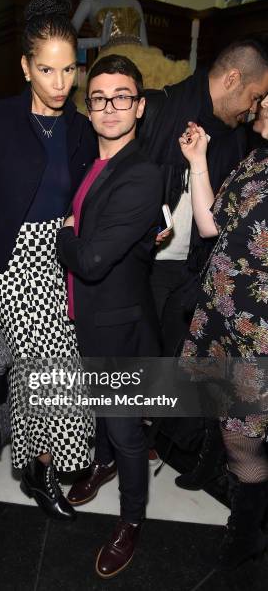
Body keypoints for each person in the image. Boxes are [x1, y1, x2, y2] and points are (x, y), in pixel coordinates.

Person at [0, 0, 97, 521]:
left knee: (30, 373)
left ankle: (37, 470)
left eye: (68, 70)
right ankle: (51, 461)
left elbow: (87, 194)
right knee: (55, 370)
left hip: (56, 260)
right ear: (25, 66)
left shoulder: (80, 127)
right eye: (47, 69)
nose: (60, 83)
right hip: (8, 264)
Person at [139, 38, 268, 486]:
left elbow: (215, 223)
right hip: (149, 268)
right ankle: (129, 442)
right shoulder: (160, 106)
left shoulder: (238, 137)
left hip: (203, 279)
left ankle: (171, 442)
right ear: (233, 79)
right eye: (254, 97)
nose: (254, 109)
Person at [57, 54, 163, 578]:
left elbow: (94, 259)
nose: (110, 107)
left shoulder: (143, 174)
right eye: (99, 98)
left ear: (139, 107)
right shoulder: (91, 163)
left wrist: (64, 233)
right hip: (86, 315)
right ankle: (98, 466)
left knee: (125, 430)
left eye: (122, 96)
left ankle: (132, 521)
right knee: (98, 409)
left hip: (120, 322)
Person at [178, 94, 268, 572]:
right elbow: (210, 223)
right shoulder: (255, 158)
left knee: (244, 437)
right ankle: (212, 466)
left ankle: (247, 534)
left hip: (259, 331)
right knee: (216, 400)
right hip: (220, 314)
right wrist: (197, 161)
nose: (263, 101)